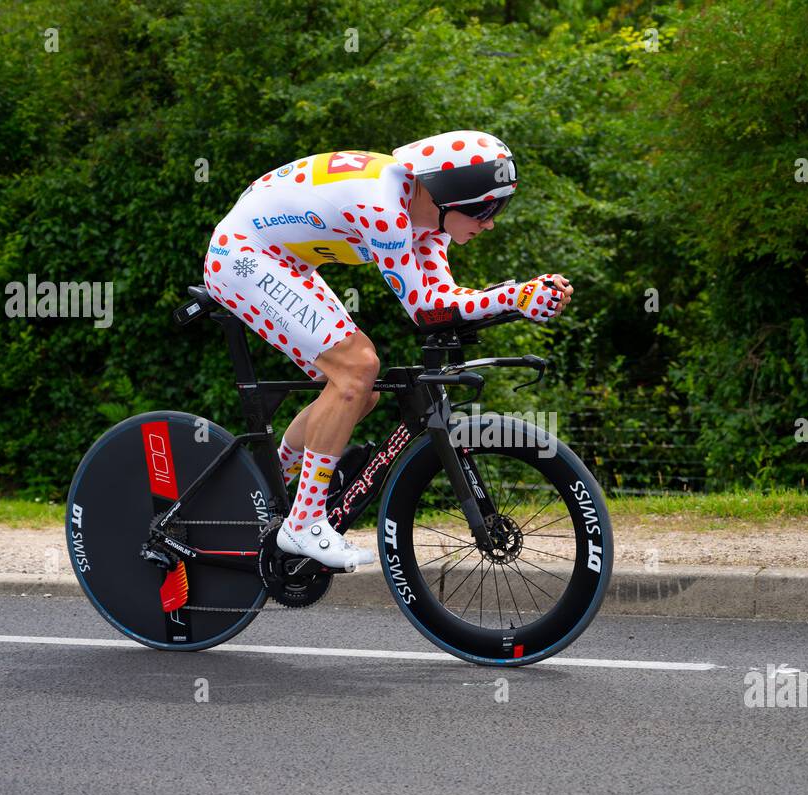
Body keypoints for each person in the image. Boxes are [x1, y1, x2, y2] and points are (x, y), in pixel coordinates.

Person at [203, 130, 572, 570]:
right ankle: (302, 523)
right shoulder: (384, 209)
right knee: (358, 368)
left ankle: (274, 483)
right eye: (484, 208)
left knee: (362, 389)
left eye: (499, 207)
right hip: (243, 256)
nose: (491, 221)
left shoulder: (427, 222)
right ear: (445, 197)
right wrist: (514, 296)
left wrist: (514, 300)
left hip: (282, 258)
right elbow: (424, 309)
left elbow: (444, 301)